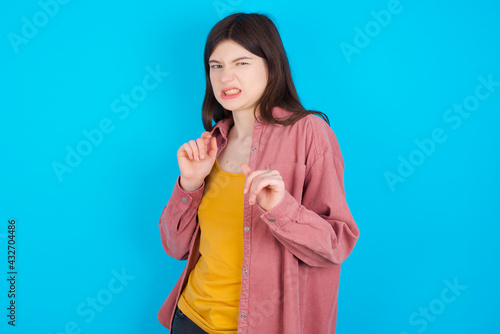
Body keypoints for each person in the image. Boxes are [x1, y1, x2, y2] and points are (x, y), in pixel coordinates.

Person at [158, 12, 359, 334]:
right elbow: (175, 247)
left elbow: (336, 245)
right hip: (190, 320)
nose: (226, 78)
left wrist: (280, 208)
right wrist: (190, 183)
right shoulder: (212, 144)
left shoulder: (310, 133)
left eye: (242, 63)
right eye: (216, 66)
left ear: (271, 65)